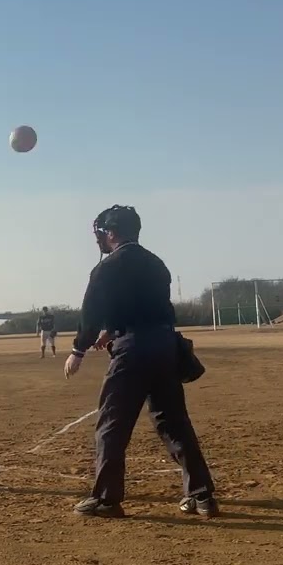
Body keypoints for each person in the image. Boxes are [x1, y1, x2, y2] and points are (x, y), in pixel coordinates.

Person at [64, 205, 218, 518]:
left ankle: (107, 499)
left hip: (131, 351)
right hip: (164, 346)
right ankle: (202, 497)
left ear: (111, 233)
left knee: (112, 425)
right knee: (174, 422)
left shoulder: (107, 268)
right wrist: (112, 330)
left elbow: (90, 313)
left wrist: (79, 349)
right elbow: (145, 306)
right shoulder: (156, 264)